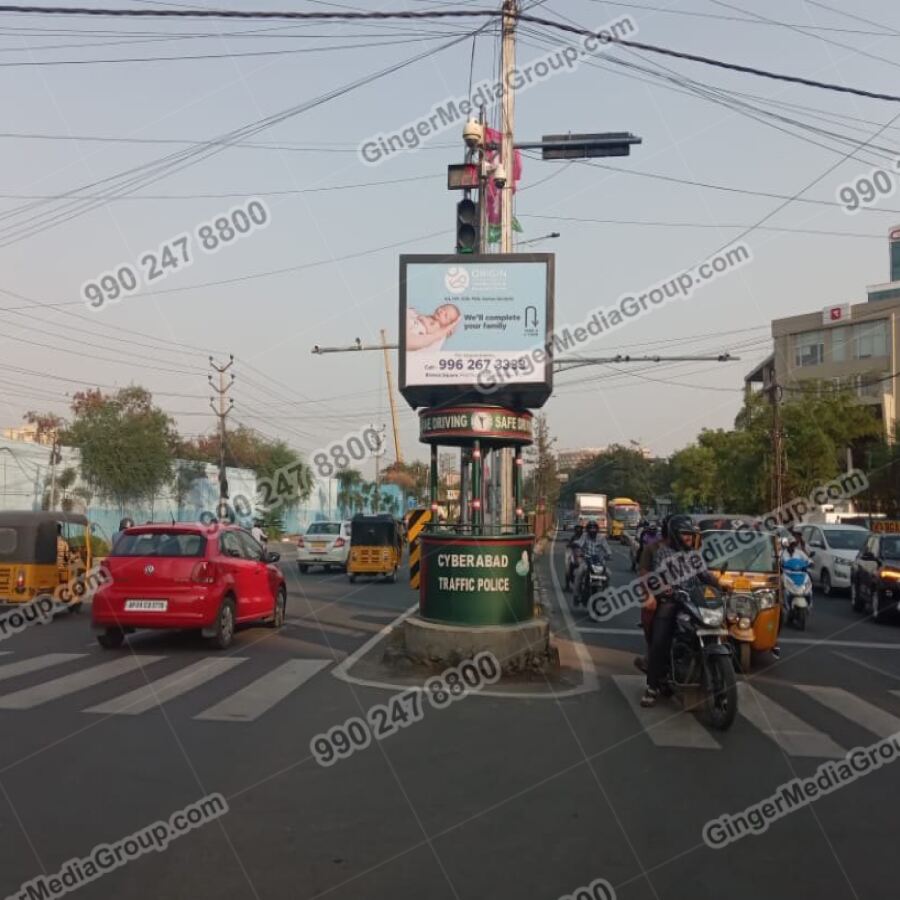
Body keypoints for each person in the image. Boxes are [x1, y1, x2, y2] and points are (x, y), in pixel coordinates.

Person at [640, 514, 730, 708]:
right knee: (660, 641)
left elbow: (706, 576)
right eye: (685, 534)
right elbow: (657, 576)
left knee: (721, 624)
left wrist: (721, 586)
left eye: (691, 534)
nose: (689, 538)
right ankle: (652, 687)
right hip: (672, 601)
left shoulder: (695, 556)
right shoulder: (663, 553)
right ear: (674, 534)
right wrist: (666, 589)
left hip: (695, 602)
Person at [572, 520, 611, 598]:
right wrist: (577, 548)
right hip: (586, 561)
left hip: (599, 562)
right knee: (579, 573)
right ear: (587, 529)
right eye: (591, 528)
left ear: (597, 529)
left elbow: (607, 548)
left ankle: (606, 591)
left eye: (594, 528)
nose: (592, 530)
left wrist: (608, 554)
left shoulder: (601, 538)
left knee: (608, 574)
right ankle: (576, 594)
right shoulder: (584, 536)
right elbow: (580, 543)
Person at [564, 523, 585, 591]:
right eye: (577, 529)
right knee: (568, 569)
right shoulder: (573, 537)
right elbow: (569, 544)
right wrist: (570, 545)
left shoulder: (585, 538)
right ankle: (567, 585)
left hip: (583, 556)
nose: (578, 530)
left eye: (580, 529)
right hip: (575, 555)